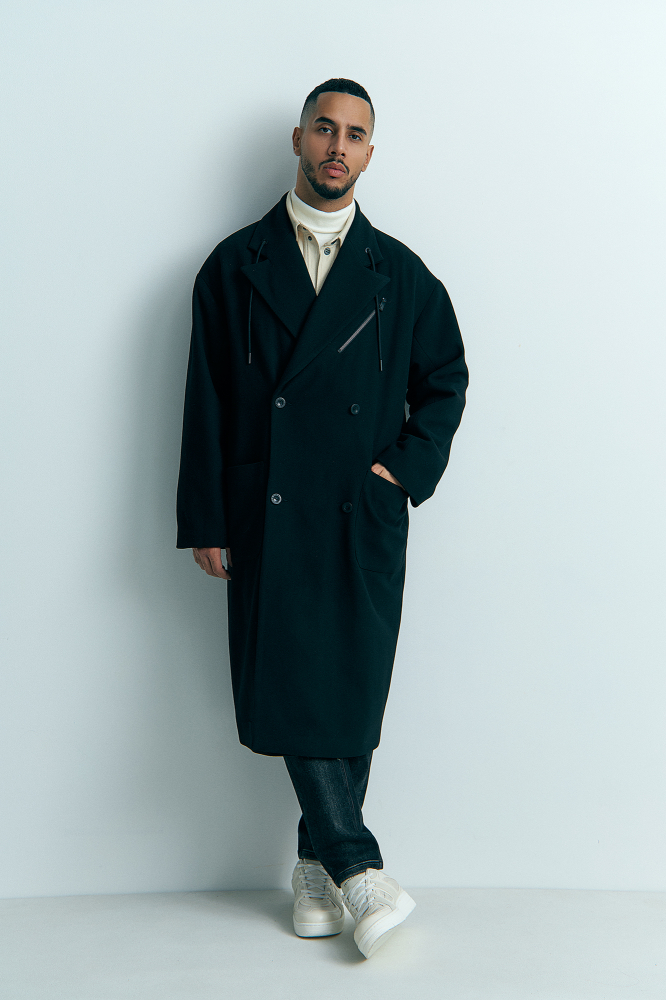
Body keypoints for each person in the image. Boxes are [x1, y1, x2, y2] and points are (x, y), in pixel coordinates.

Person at [176, 78, 468, 958]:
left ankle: (314, 867)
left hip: (357, 509)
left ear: (370, 153)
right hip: (267, 511)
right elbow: (206, 400)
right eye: (325, 129)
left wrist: (399, 473)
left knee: (350, 685)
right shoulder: (234, 266)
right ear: (299, 138)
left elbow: (445, 380)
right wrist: (207, 518)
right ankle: (357, 866)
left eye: (355, 135)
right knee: (293, 676)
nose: (338, 147)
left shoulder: (399, 274)